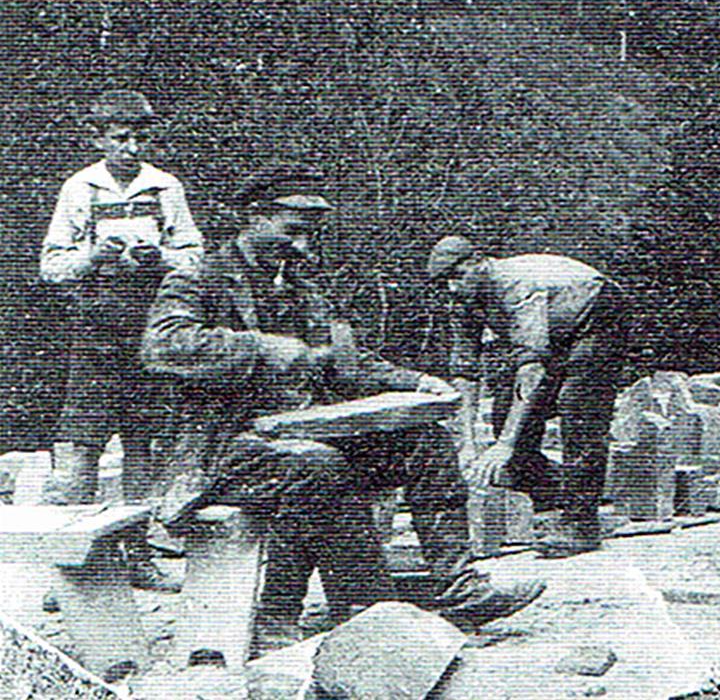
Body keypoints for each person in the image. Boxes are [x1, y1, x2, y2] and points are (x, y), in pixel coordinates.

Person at [142, 163, 544, 652]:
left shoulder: (299, 290)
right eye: (293, 232)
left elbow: (346, 364)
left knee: (424, 443)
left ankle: (456, 588)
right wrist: (264, 348)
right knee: (318, 467)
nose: (305, 247)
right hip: (221, 450)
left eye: (310, 235)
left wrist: (416, 382)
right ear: (253, 218)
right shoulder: (199, 277)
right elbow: (162, 346)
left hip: (298, 437)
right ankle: (339, 609)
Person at [40, 89, 203, 591]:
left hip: (151, 329)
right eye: (120, 138)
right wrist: (93, 255)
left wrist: (164, 259)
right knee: (82, 446)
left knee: (143, 444)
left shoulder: (165, 187)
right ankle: (73, 570)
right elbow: (51, 266)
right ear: (99, 138)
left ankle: (138, 558)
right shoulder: (80, 188)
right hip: (95, 331)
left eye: (141, 137)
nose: (131, 148)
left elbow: (196, 256)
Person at [427, 237, 627, 558]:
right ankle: (558, 499)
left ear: (480, 262)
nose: (453, 288)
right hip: (555, 330)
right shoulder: (463, 300)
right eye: (445, 282)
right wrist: (467, 444)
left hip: (596, 313)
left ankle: (581, 524)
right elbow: (466, 373)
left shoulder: (514, 285)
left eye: (458, 276)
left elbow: (531, 371)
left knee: (579, 410)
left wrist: (505, 444)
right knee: (505, 420)